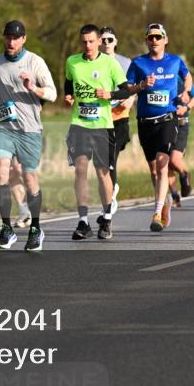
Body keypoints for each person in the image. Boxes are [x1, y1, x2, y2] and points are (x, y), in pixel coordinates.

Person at [0, 21, 57, 252]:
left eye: (16, 38)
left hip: (29, 130)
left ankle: (36, 227)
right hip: (4, 127)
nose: (11, 42)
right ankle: (6, 228)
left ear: (24, 39)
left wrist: (32, 88)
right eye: (8, 37)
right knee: (1, 172)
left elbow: (52, 93)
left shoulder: (35, 62)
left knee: (29, 179)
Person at [64, 24, 129, 240]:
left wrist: (109, 94)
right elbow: (68, 83)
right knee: (80, 171)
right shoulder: (72, 62)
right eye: (84, 42)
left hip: (102, 126)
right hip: (79, 124)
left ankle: (107, 218)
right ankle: (83, 221)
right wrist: (68, 96)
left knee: (103, 173)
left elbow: (125, 89)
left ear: (99, 41)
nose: (88, 45)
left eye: (92, 41)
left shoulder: (110, 63)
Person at [125, 23, 192, 233]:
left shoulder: (175, 61)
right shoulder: (138, 63)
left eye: (158, 37)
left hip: (167, 119)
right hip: (145, 122)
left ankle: (156, 212)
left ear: (165, 40)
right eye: (150, 37)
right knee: (154, 170)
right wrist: (141, 86)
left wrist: (187, 92)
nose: (154, 41)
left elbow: (187, 77)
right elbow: (127, 87)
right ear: (146, 41)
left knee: (163, 165)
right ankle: (165, 204)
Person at [99, 26, 135, 213]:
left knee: (110, 157)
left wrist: (130, 99)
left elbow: (131, 87)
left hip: (119, 117)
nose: (106, 43)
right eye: (103, 40)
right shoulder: (93, 62)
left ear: (116, 42)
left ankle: (111, 194)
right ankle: (111, 191)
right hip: (100, 119)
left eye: (110, 40)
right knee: (106, 160)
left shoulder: (125, 62)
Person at [168, 83, 194, 207]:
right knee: (164, 163)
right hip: (163, 124)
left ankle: (184, 174)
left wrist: (186, 107)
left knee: (174, 160)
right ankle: (175, 194)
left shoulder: (183, 78)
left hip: (181, 124)